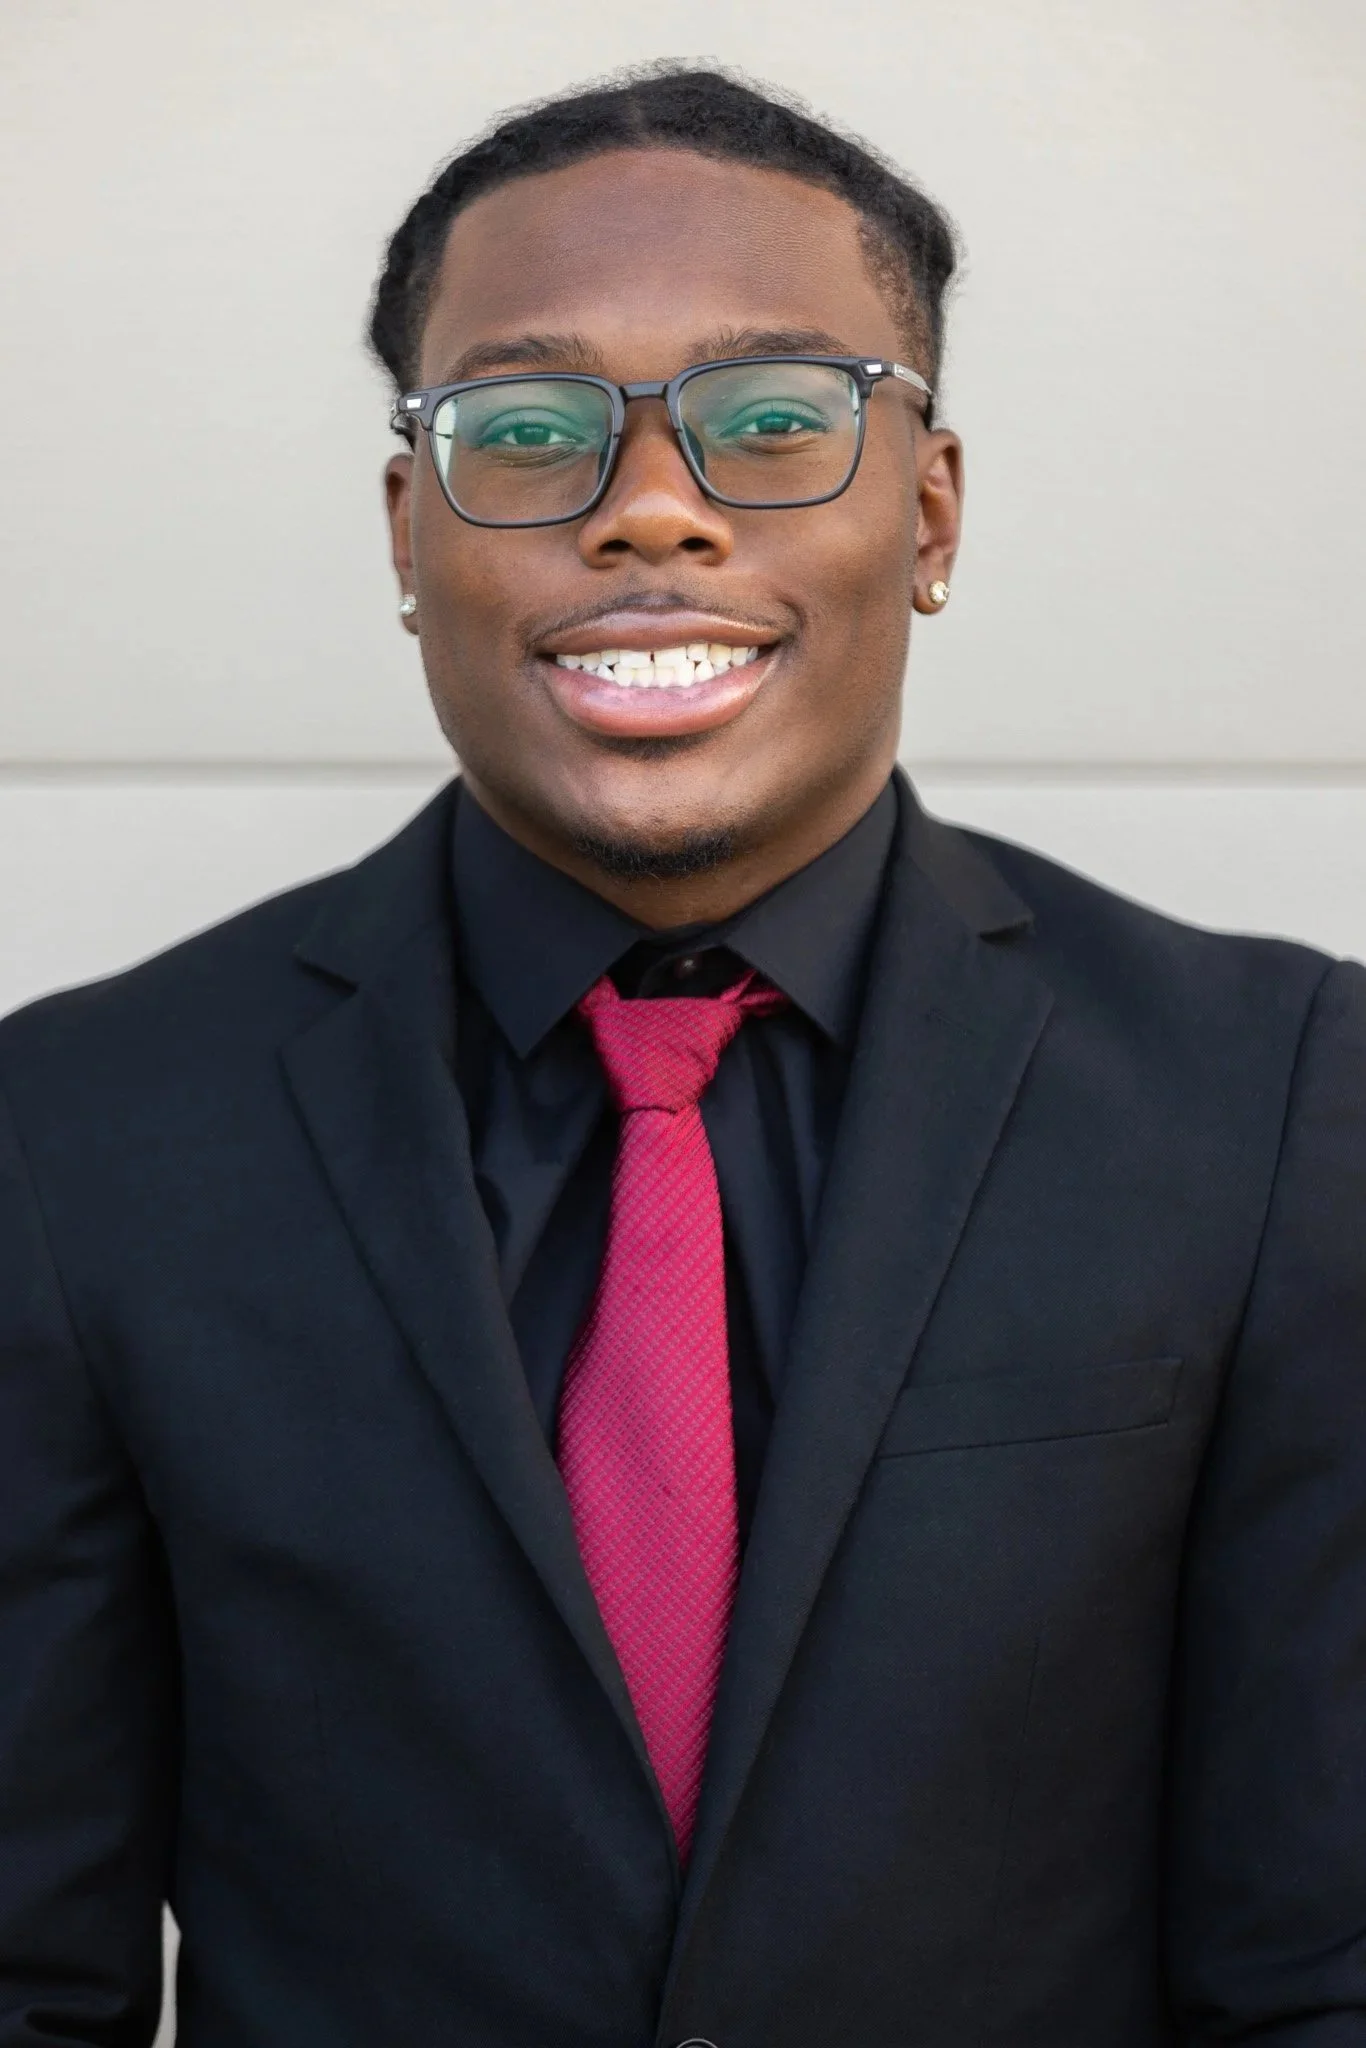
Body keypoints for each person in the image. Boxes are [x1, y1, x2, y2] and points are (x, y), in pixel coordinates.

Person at [1, 61, 1363, 2048]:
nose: (652, 504)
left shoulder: (1269, 1101)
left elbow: (1320, 1970)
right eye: (531, 426)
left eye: (774, 423)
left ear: (928, 510)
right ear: (408, 529)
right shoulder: (81, 1134)